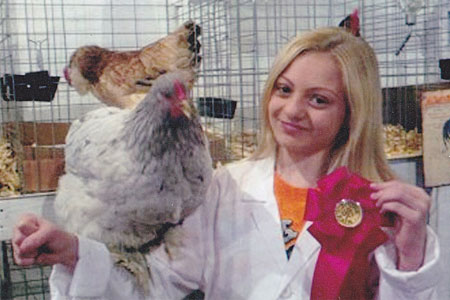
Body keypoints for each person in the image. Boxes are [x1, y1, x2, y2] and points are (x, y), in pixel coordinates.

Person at [13, 27, 440, 299]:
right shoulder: (222, 189)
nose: (292, 110)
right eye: (284, 89)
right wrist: (75, 254)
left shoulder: (381, 205)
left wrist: (412, 259)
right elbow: (155, 284)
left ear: (352, 110)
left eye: (318, 99)